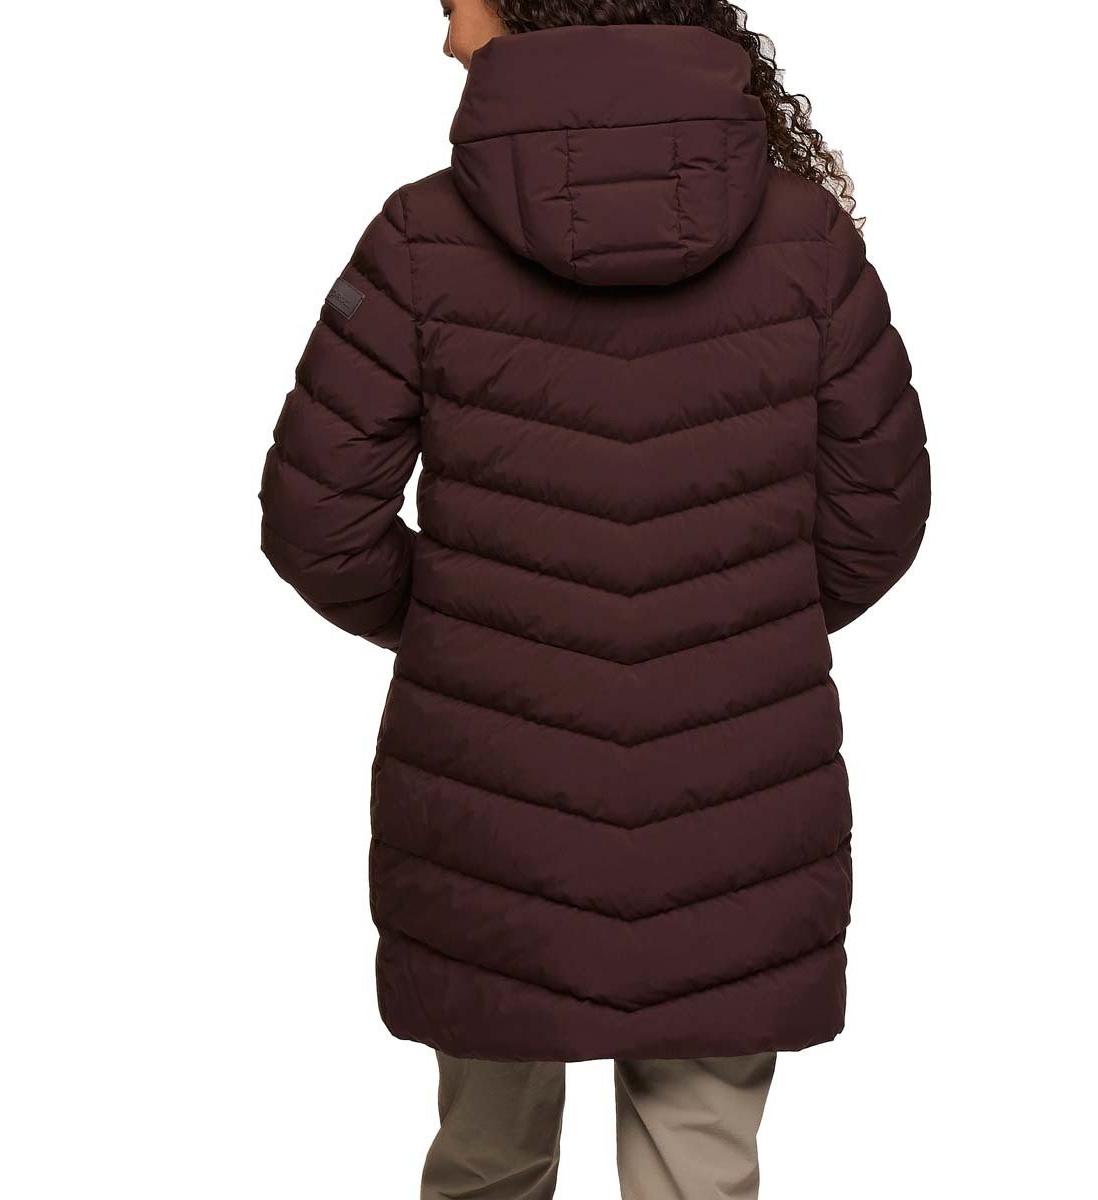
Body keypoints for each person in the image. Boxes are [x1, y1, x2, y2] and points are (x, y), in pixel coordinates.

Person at [260, 2, 930, 1196]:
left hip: (493, 804)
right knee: (698, 1170)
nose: (443, 34)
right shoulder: (806, 240)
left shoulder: (420, 240)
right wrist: (735, 632)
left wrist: (473, 631)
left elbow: (319, 518)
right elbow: (877, 513)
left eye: (453, 2)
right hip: (735, 802)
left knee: (486, 1165)